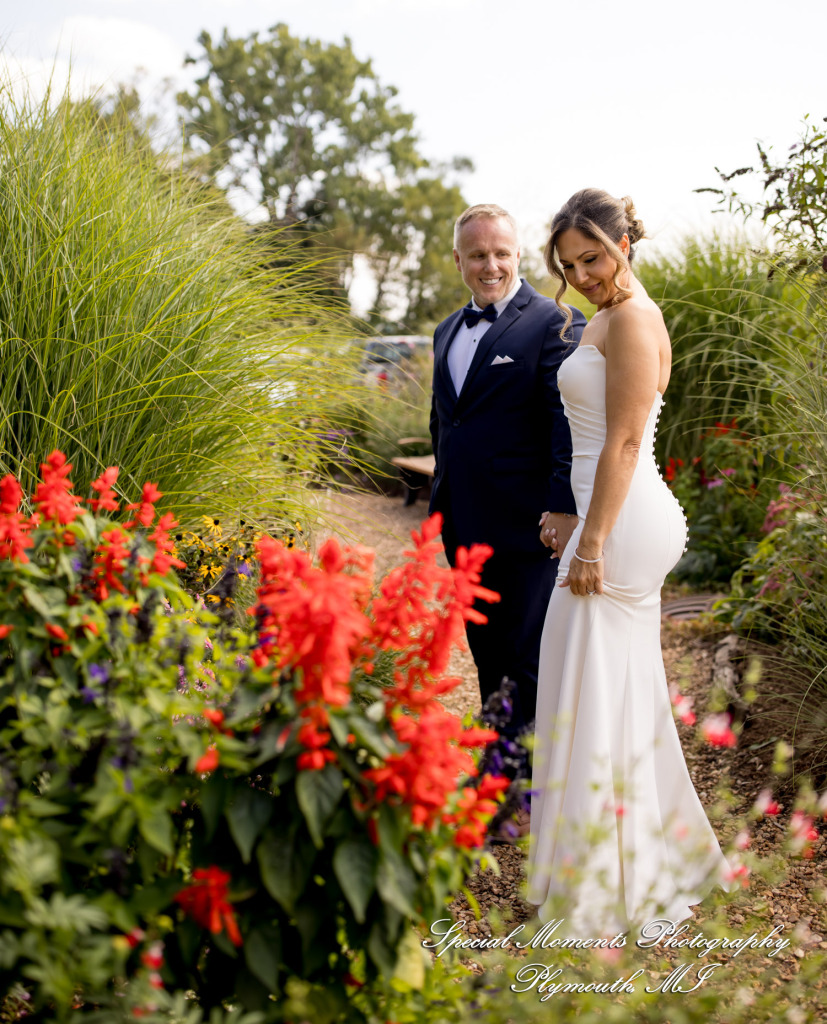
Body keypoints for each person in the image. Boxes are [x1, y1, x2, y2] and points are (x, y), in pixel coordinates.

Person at [527, 189, 731, 934]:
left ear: (623, 242)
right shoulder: (606, 318)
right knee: (606, 689)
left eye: (593, 257)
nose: (581, 273)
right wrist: (580, 519)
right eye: (568, 264)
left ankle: (605, 891)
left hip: (624, 523)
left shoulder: (636, 318)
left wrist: (593, 541)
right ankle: (634, 857)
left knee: (587, 684)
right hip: (604, 514)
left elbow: (621, 442)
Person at [429, 204, 587, 738]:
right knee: (485, 652)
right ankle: (498, 757)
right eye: (477, 255)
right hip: (463, 524)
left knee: (525, 658)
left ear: (517, 254)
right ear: (459, 259)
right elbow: (444, 422)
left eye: (500, 253)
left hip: (527, 528)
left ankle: (521, 791)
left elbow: (567, 421)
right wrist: (439, 503)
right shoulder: (446, 330)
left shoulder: (555, 322)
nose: (490, 265)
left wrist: (563, 507)